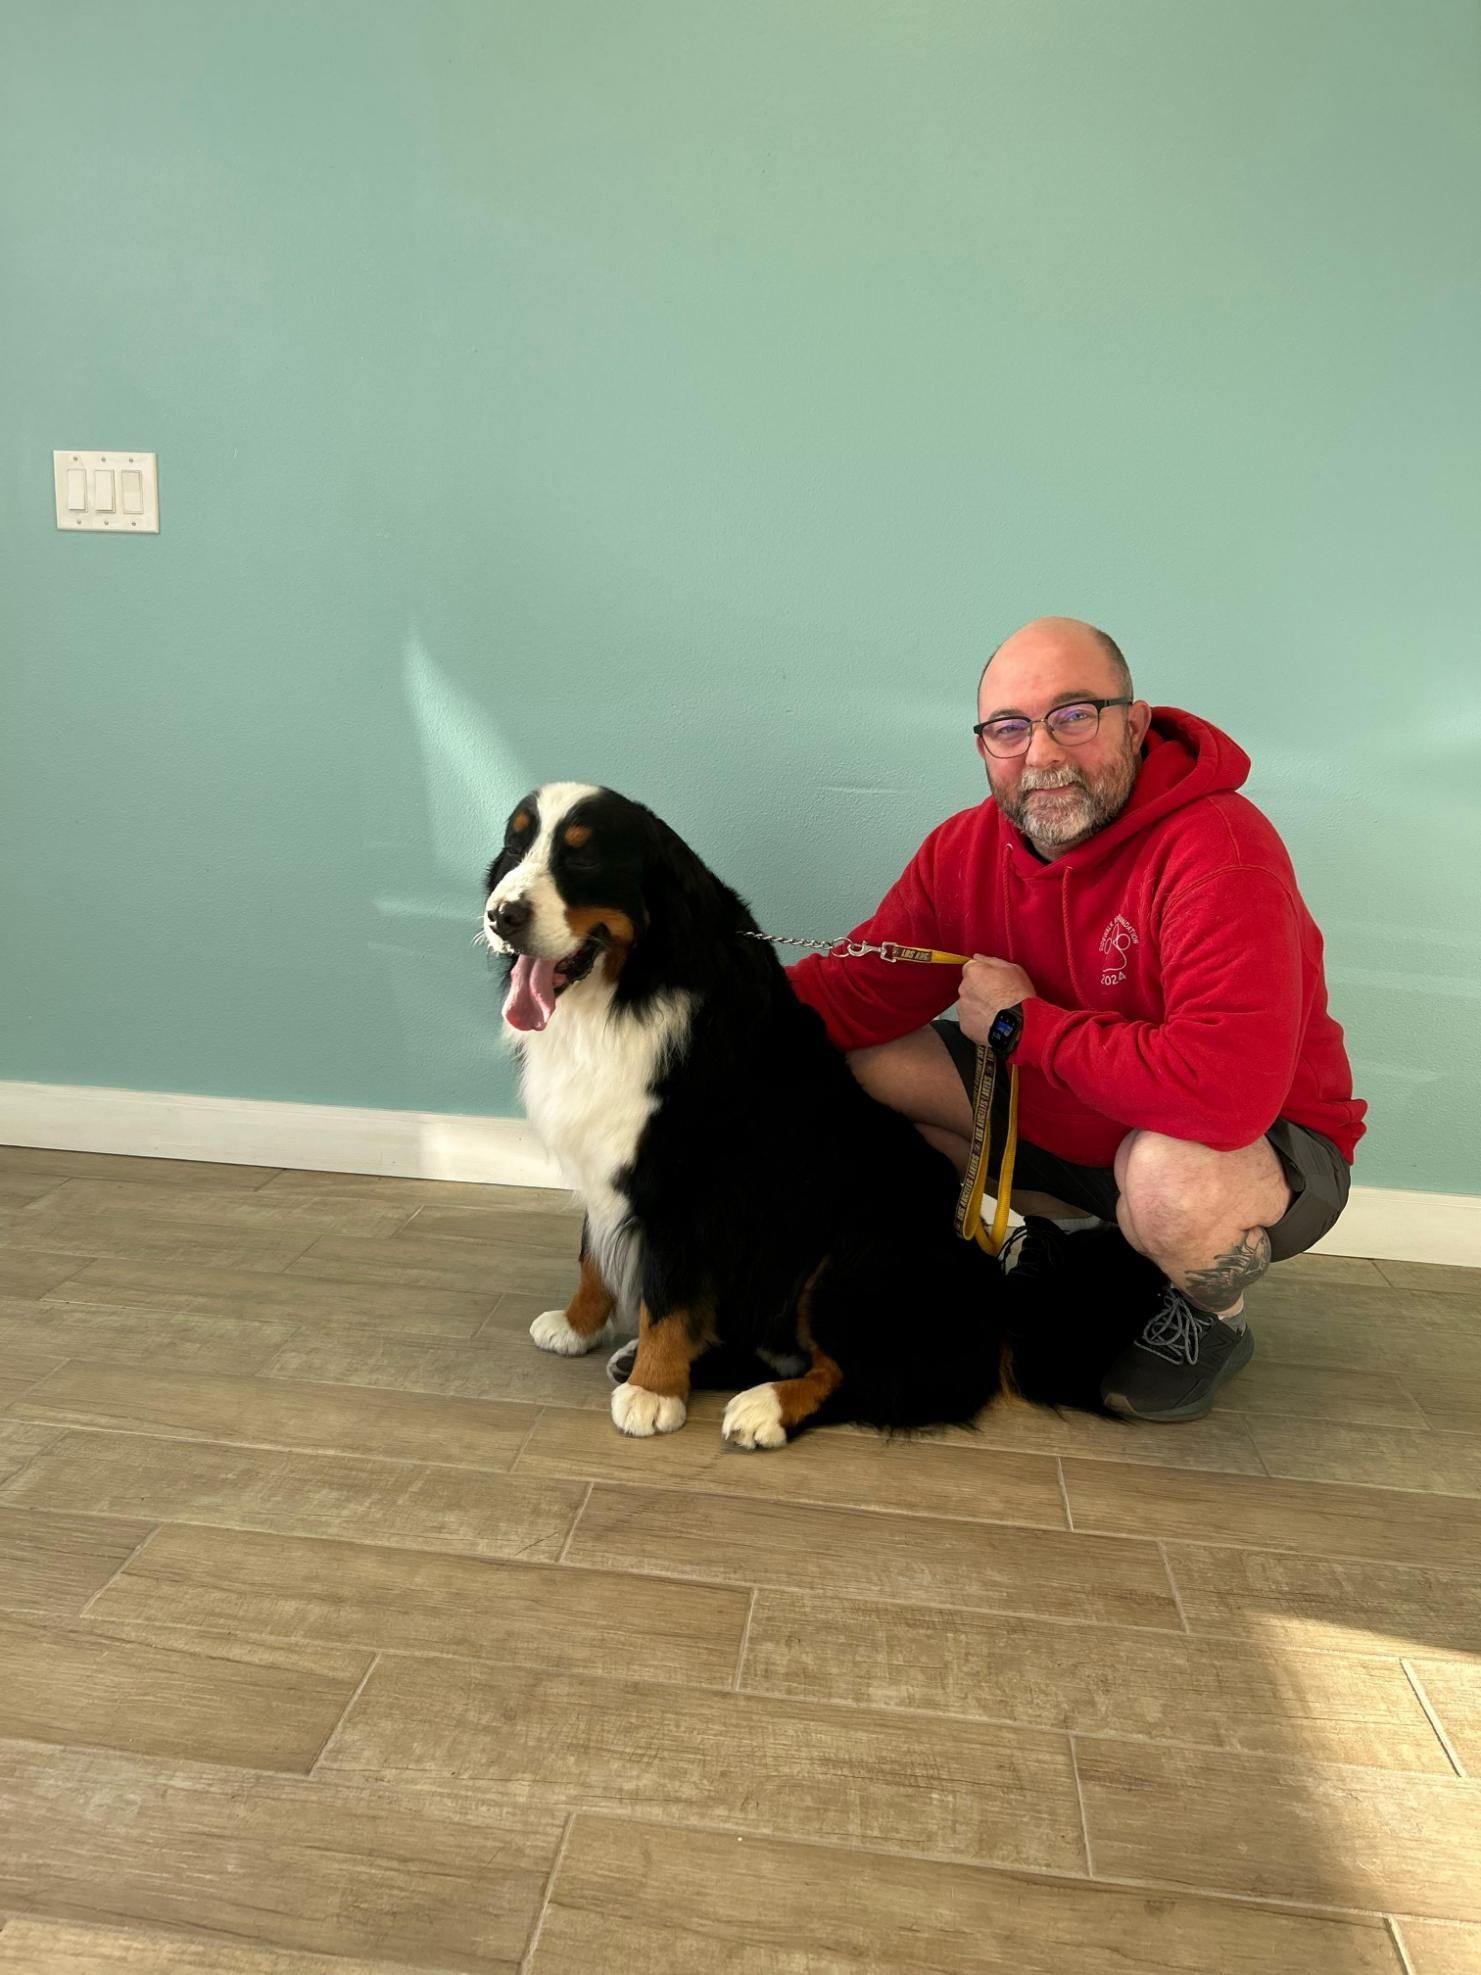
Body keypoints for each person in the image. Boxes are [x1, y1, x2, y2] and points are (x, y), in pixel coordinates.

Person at [789, 617, 1366, 1423]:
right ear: (984, 746)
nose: (1042, 754)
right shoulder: (961, 850)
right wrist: (683, 983)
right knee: (852, 1059)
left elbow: (1225, 1094)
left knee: (1168, 1185)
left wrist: (1029, 1026)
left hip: (1254, 1141)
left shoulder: (1220, 849)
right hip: (1072, 1116)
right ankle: (1030, 1243)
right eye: (1009, 728)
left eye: (1072, 715)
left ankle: (1210, 1320)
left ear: (1132, 723)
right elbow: (855, 990)